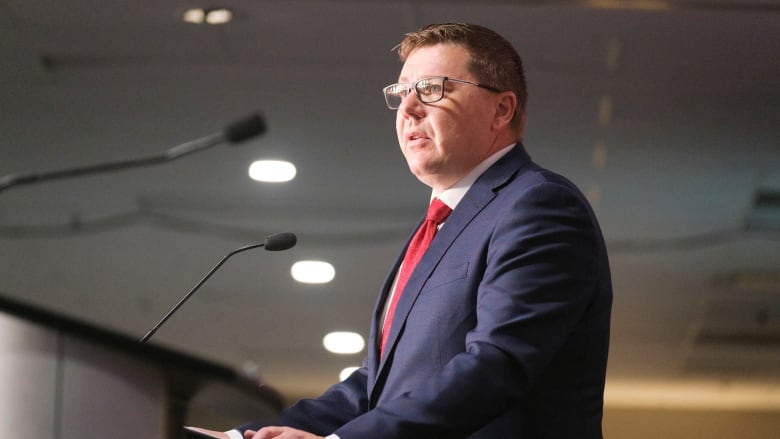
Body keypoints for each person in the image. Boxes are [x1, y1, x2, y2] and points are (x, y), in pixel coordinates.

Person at [234, 22, 612, 439]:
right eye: (401, 93)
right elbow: (373, 390)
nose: (409, 108)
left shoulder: (538, 205)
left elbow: (498, 364)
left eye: (432, 88)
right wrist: (243, 437)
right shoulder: (440, 224)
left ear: (502, 109)